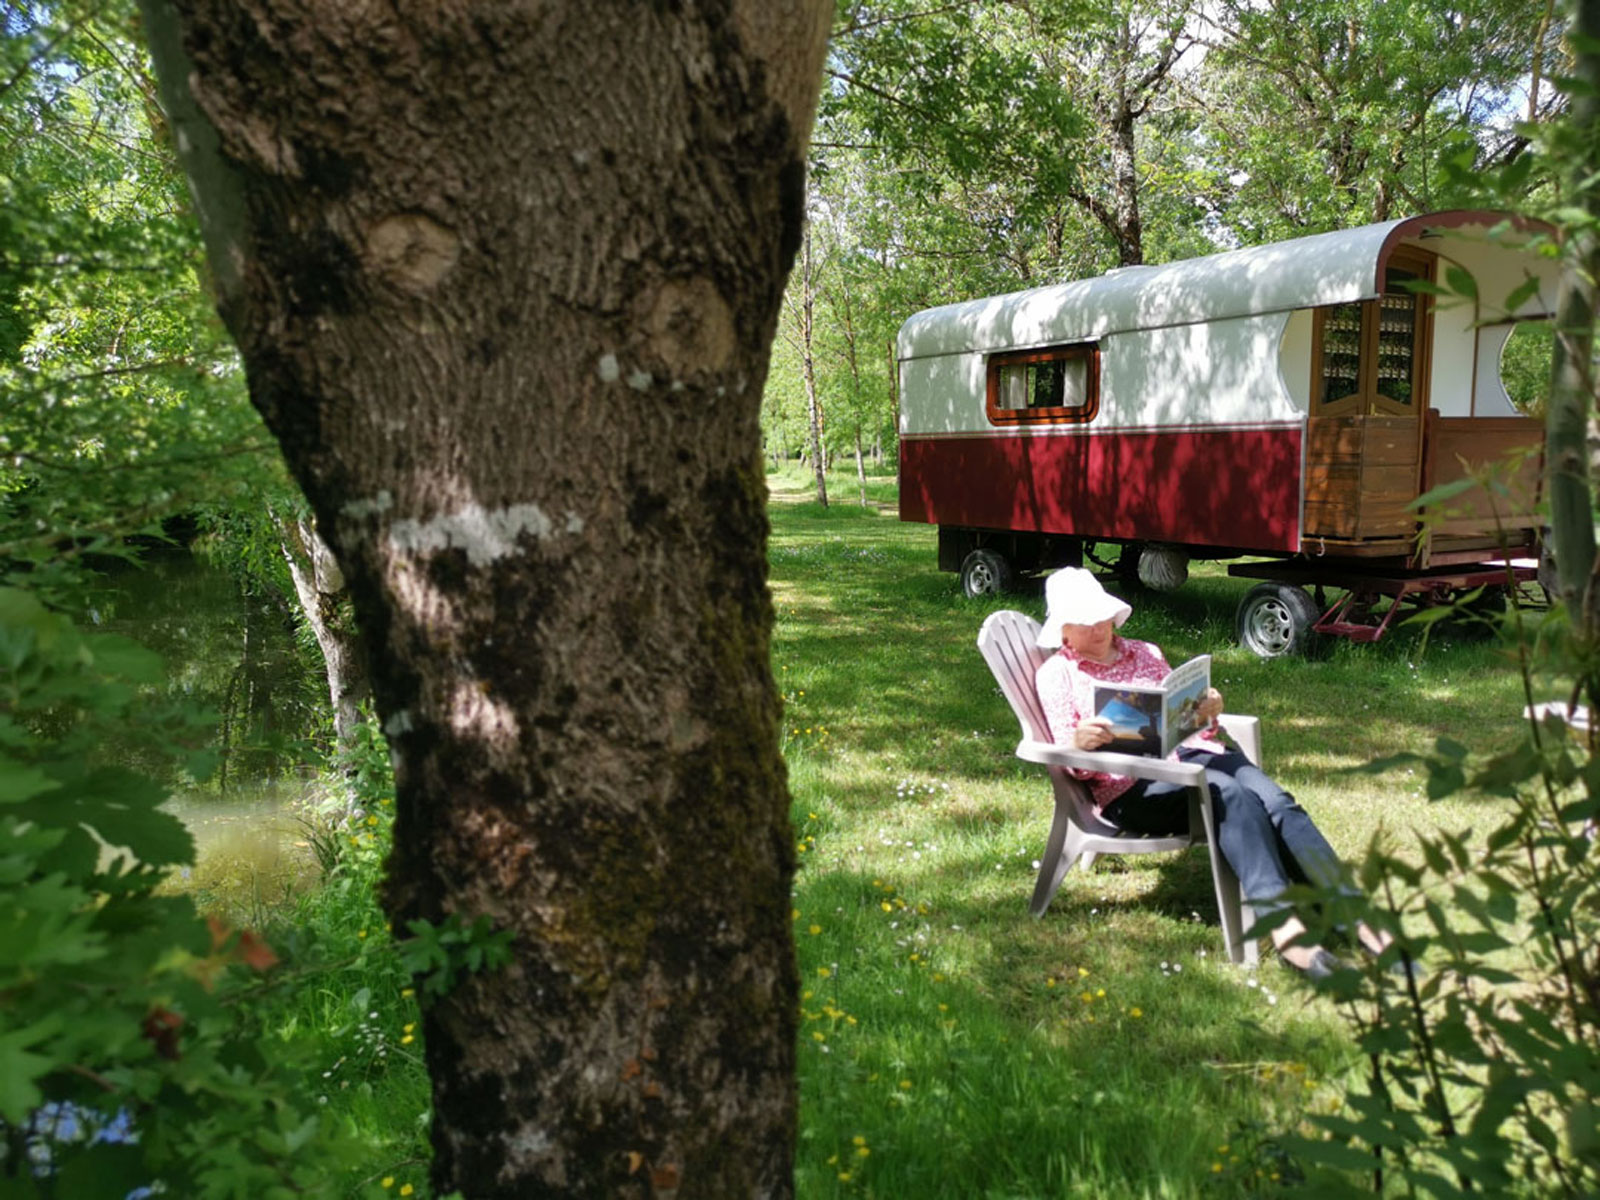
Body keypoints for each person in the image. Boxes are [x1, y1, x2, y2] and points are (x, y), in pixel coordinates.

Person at [1032, 567, 1393, 979]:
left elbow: (1181, 720)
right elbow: (1068, 762)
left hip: (1194, 753)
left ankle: (1356, 916)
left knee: (1278, 801)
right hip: (1133, 786)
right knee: (1229, 796)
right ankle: (1288, 933)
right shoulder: (1057, 675)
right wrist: (1079, 743)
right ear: (1062, 631)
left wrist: (1205, 711)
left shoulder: (1145, 652)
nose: (1098, 627)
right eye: (1083, 621)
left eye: (1101, 616)